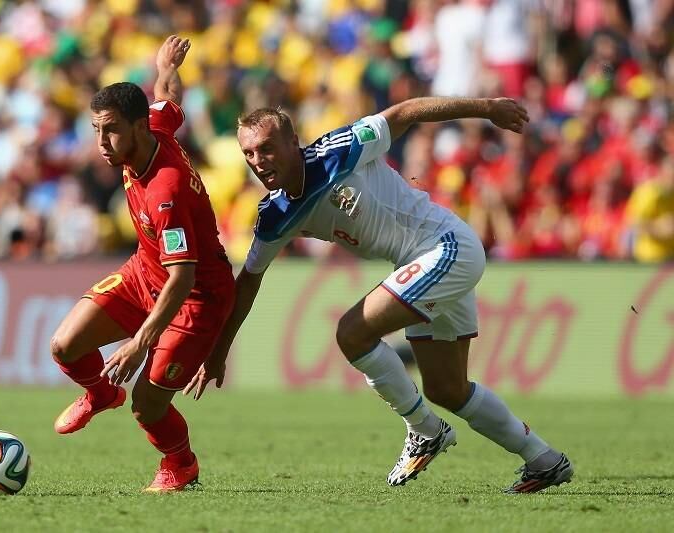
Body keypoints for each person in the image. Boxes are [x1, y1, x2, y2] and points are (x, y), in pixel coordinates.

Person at [185, 97, 574, 494]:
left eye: (267, 148)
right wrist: (219, 351)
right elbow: (248, 280)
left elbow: (403, 114)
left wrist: (487, 107)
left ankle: (425, 430)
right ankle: (543, 460)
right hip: (422, 262)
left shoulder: (339, 151)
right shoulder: (276, 214)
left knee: (352, 333)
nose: (258, 160)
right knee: (446, 389)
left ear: (293, 143)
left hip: (445, 247)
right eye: (248, 153)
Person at [50, 36, 234, 492]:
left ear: (137, 128)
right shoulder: (153, 124)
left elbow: (183, 276)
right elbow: (168, 97)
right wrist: (165, 66)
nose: (101, 143)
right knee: (64, 345)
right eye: (95, 129)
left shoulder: (164, 191)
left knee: (146, 405)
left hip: (195, 297)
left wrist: (138, 343)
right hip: (144, 272)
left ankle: (180, 464)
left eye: (110, 130)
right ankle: (100, 392)